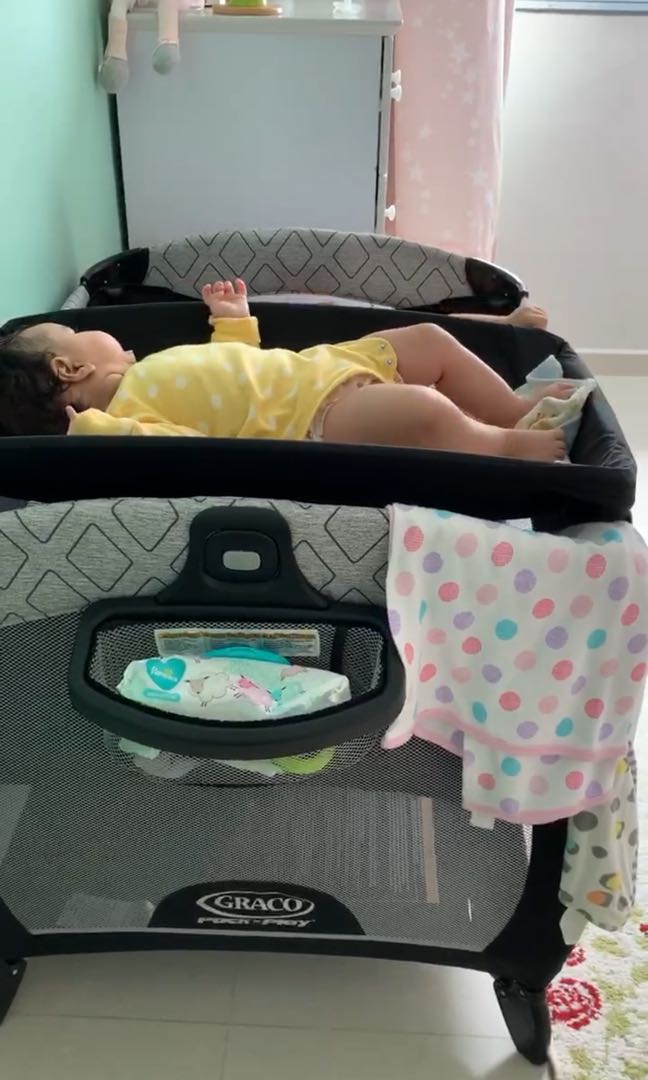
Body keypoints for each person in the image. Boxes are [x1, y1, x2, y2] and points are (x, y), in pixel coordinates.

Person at [0, 281, 569, 460]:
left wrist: (233, 321)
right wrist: (90, 431)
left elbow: (235, 366)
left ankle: (513, 410)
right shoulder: (129, 418)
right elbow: (176, 450)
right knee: (425, 411)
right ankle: (502, 447)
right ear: (69, 366)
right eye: (76, 332)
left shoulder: (149, 369)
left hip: (324, 367)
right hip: (316, 420)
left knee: (429, 340)